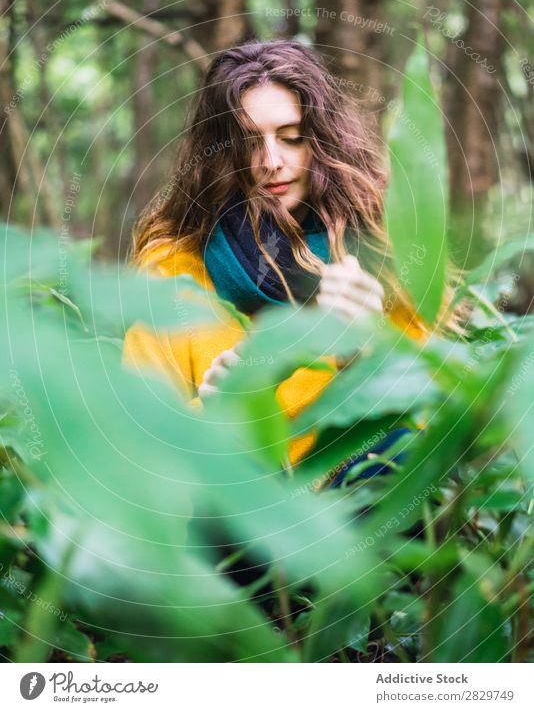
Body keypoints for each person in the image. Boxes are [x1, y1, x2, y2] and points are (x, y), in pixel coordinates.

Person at [123, 39, 440, 473]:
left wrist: (373, 349)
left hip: (361, 504)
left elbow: (440, 406)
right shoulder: (173, 266)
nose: (271, 161)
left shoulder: (382, 243)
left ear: (324, 141)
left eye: (292, 138)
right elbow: (138, 446)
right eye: (249, 142)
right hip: (239, 509)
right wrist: (213, 412)